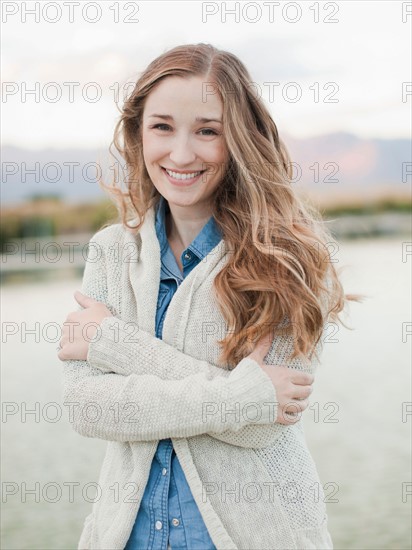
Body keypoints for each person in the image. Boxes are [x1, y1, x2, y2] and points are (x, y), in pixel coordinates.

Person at [58, 43, 357, 550]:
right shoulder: (110, 252)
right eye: (162, 126)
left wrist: (113, 344)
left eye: (207, 130)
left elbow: (262, 425)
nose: (180, 153)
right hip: (126, 536)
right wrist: (241, 393)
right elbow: (89, 408)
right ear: (137, 134)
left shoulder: (289, 256)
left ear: (239, 138)